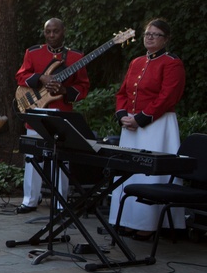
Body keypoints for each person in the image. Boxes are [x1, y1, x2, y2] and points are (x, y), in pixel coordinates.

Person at [109, 18, 187, 240]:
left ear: (166, 39)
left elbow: (168, 96)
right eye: (147, 34)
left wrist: (141, 118)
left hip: (157, 126)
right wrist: (123, 115)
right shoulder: (136, 62)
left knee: (151, 176)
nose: (150, 37)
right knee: (130, 175)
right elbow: (122, 92)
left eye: (156, 34)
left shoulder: (172, 63)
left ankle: (149, 224)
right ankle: (127, 220)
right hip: (131, 126)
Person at [13, 18, 90, 214]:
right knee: (33, 155)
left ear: (63, 31)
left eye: (56, 31)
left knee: (61, 157)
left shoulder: (76, 56)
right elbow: (21, 76)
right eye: (48, 32)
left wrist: (65, 90)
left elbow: (83, 86)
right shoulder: (33, 52)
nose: (52, 35)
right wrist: (41, 77)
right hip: (36, 108)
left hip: (62, 112)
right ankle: (30, 200)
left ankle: (59, 201)